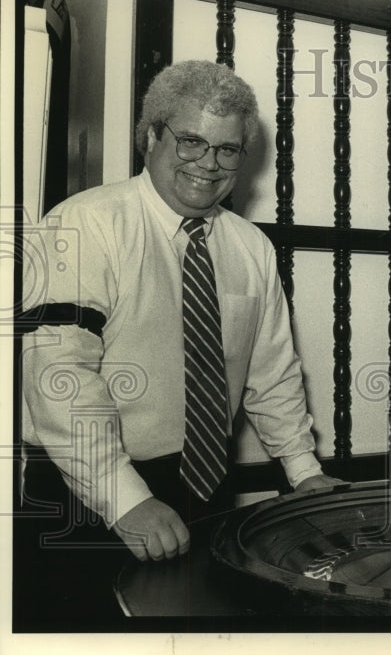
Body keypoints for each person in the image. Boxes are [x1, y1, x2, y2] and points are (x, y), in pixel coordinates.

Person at [16, 60, 342, 621]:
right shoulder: (84, 224)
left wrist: (304, 471)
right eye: (191, 142)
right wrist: (126, 500)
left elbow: (273, 372)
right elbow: (57, 377)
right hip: (85, 495)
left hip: (204, 495)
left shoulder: (251, 248)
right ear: (151, 137)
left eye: (228, 149)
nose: (209, 165)